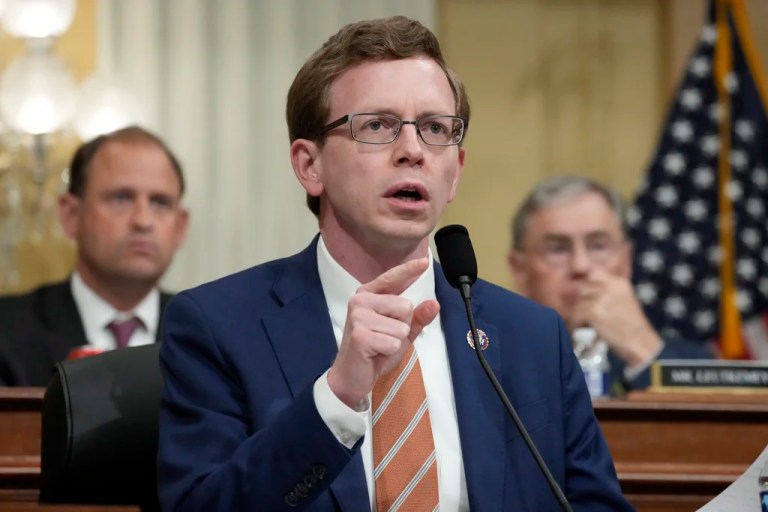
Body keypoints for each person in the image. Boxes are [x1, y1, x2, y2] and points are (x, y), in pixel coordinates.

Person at [157, 17, 632, 511]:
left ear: (455, 174)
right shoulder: (219, 327)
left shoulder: (533, 338)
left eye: (434, 129)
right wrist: (335, 399)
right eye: (377, 126)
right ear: (309, 165)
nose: (412, 151)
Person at [0, 126, 189, 386]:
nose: (143, 221)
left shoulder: (207, 336)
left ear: (180, 227)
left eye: (160, 202)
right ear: (71, 216)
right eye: (121, 198)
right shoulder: (8, 331)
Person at [508, 175, 713, 392]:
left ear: (626, 261)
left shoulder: (694, 362)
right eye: (558, 249)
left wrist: (642, 350)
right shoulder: (490, 362)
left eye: (598, 246)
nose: (581, 266)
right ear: (520, 270)